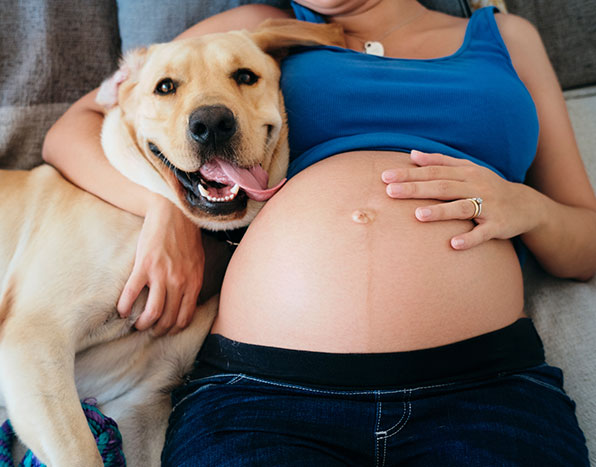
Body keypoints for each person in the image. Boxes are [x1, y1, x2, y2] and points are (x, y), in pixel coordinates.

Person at [43, 0, 596, 464]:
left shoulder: (505, 37)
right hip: (263, 395)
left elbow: (586, 243)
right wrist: (165, 207)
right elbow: (76, 127)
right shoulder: (256, 26)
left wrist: (527, 206)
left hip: (484, 391)